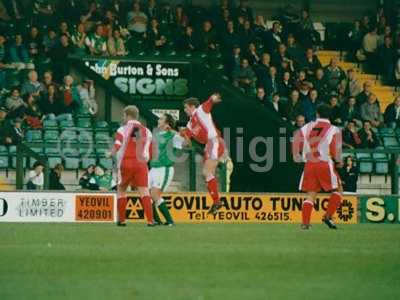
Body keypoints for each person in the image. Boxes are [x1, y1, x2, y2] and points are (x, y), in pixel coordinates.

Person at [293, 104, 343, 230]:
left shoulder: (307, 126)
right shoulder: (334, 129)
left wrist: (297, 155)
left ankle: (305, 223)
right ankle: (328, 216)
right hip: (324, 163)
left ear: (317, 114)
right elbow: (334, 149)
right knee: (338, 190)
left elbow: (296, 141)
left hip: (310, 164)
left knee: (311, 194)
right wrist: (338, 161)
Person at [181, 93, 228, 216]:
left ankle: (217, 201)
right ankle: (216, 201)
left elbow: (209, 102)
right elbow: (187, 142)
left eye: (186, 108)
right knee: (207, 174)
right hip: (209, 145)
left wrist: (212, 98)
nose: (185, 110)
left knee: (207, 172)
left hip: (214, 142)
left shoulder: (201, 110)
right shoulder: (189, 124)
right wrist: (182, 136)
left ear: (192, 107)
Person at [108, 105, 154, 227]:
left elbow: (118, 143)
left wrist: (110, 153)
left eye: (123, 115)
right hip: (141, 164)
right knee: (144, 191)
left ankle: (122, 220)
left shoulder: (122, 129)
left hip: (126, 162)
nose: (123, 118)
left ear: (128, 115)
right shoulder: (147, 131)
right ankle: (150, 221)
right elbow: (150, 151)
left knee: (121, 189)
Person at [149, 114, 182, 226]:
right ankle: (157, 221)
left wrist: (169, 159)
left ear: (167, 123)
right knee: (146, 195)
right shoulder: (157, 135)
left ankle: (170, 221)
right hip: (153, 168)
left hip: (164, 168)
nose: (158, 120)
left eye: (161, 119)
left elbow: (178, 151)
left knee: (155, 195)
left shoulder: (174, 135)